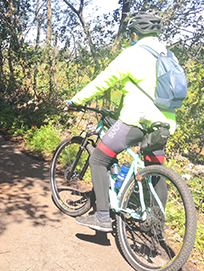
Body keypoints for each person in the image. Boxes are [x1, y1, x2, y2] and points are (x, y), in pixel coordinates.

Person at [67, 12, 175, 232]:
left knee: (98, 159)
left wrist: (75, 100)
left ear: (135, 34)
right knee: (155, 169)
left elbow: (103, 81)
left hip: (136, 120)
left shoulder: (133, 53)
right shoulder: (168, 55)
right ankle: (156, 227)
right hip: (163, 124)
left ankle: (102, 217)